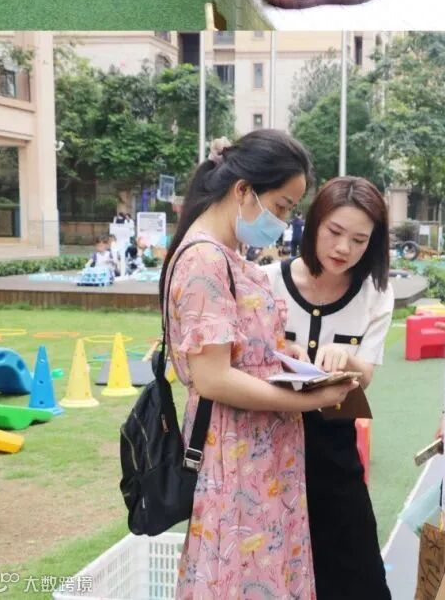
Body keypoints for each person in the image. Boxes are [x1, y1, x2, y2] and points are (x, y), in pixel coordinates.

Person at [162, 130, 349, 599]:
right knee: (239, 577)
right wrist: (309, 400)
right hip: (234, 454)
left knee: (263, 573)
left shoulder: (227, 255)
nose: (283, 222)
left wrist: (287, 359)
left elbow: (241, 352)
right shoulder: (204, 260)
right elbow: (213, 378)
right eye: (281, 207)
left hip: (260, 456)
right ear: (243, 189)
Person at [265, 177, 394, 600]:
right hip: (267, 446)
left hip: (335, 450)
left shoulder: (375, 292)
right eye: (334, 232)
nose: (343, 248)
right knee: (271, 570)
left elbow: (366, 375)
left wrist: (347, 359)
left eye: (359, 240)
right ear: (314, 223)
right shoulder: (267, 282)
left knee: (358, 576)